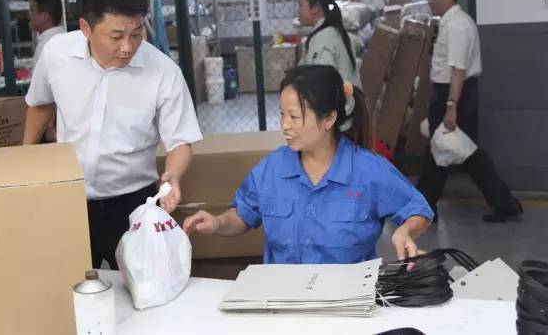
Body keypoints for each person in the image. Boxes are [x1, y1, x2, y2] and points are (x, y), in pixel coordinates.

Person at [24, 0, 202, 269]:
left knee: (144, 285)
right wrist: (24, 157)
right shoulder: (57, 54)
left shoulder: (163, 71)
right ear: (86, 27)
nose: (128, 47)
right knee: (70, 285)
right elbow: (40, 104)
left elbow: (180, 140)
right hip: (69, 200)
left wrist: (173, 175)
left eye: (136, 33)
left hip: (133, 205)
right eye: (116, 36)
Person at [183, 65, 433, 264]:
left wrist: (405, 231)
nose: (285, 125)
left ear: (329, 119)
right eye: (282, 115)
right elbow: (242, 214)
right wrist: (217, 223)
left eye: (294, 116)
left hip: (348, 300)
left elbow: (419, 211)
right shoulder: (272, 169)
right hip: (284, 300)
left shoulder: (368, 170)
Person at [417, 0, 523, 223]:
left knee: (447, 149)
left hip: (454, 94)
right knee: (457, 150)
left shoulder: (456, 26)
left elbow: (458, 70)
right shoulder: (451, 22)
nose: (430, 0)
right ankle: (504, 203)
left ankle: (422, 208)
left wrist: (451, 106)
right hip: (455, 93)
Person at [297, 0, 361, 88]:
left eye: (301, 5)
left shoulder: (322, 38)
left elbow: (323, 83)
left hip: (337, 98)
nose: (298, 11)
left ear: (315, 8)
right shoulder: (335, 32)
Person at [29, 0, 65, 69]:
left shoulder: (45, 47)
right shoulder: (66, 39)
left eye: (32, 11)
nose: (29, 15)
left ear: (45, 16)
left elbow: (38, 77)